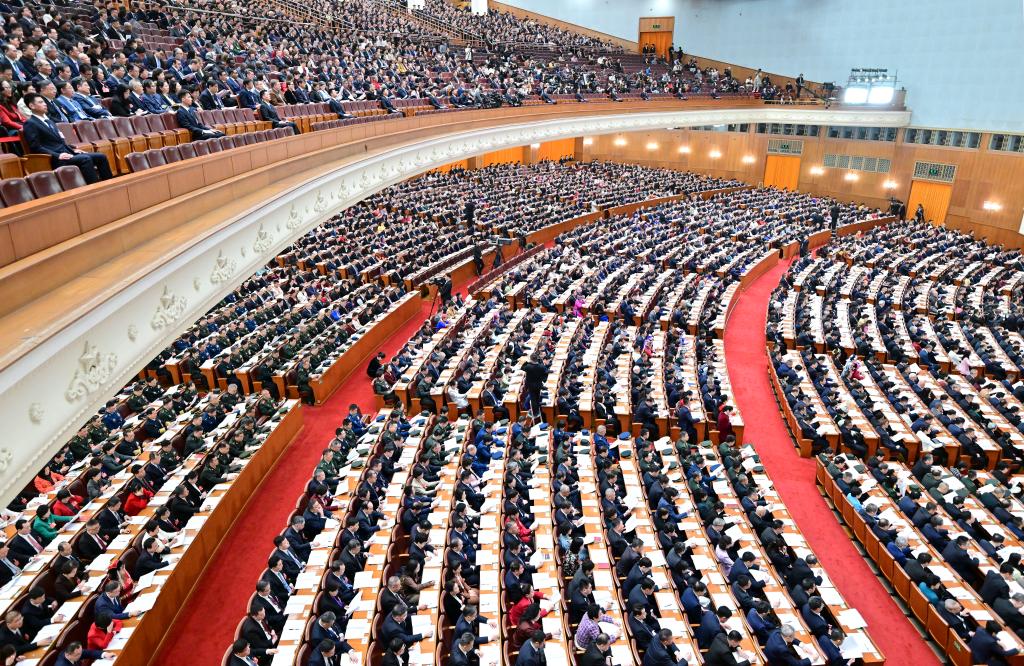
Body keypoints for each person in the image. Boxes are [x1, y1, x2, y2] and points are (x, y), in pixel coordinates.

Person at [22, 93, 112, 184]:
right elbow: (35, 147)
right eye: (40, 102)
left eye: (44, 102)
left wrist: (73, 150)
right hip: (54, 158)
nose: (45, 104)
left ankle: (108, 183)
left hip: (67, 153)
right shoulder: (30, 123)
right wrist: (57, 155)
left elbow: (60, 142)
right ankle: (94, 186)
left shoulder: (49, 121)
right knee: (85, 159)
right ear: (32, 106)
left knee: (101, 156)